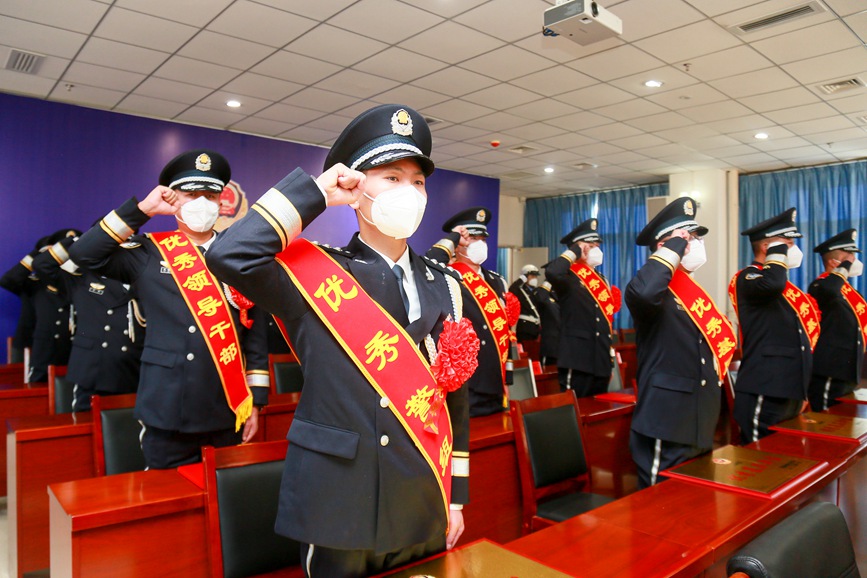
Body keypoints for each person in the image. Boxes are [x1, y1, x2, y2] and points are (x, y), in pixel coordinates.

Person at [207, 104, 473, 578]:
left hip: (421, 493)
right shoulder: (314, 273)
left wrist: (455, 497)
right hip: (337, 498)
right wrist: (315, 194)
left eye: (417, 181)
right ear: (356, 189)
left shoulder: (447, 285)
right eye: (391, 177)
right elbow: (230, 255)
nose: (409, 192)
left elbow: (455, 400)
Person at [68, 149, 270, 469]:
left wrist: (256, 402)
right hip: (166, 407)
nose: (201, 203)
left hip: (226, 406)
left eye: (210, 195)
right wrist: (143, 210)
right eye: (191, 195)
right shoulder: (148, 252)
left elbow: (254, 334)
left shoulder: (239, 255)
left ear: (221, 202)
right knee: (167, 495)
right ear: (174, 199)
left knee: (223, 495)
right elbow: (83, 254)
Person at [625, 197, 735, 488]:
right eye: (689, 238)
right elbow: (645, 293)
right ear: (665, 246)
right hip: (666, 419)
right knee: (659, 500)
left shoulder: (688, 290)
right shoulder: (649, 289)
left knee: (693, 500)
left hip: (697, 418)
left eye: (696, 237)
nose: (696, 243)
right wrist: (673, 247)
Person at [729, 207, 814, 444]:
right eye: (787, 244)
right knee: (760, 457)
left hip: (788, 387)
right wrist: (776, 254)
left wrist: (802, 389)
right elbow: (772, 284)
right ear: (767, 247)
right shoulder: (748, 277)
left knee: (785, 455)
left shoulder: (782, 286)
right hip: (765, 387)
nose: (793, 249)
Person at [31, 234, 145, 411]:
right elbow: (42, 265)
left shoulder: (143, 278)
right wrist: (78, 242)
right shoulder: (82, 278)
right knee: (85, 422)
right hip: (91, 371)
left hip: (130, 370)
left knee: (126, 425)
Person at [429, 206, 511, 417]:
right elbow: (429, 264)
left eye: (482, 239)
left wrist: (507, 377)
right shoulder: (448, 275)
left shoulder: (497, 281)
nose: (479, 244)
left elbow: (505, 330)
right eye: (473, 238)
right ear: (458, 245)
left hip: (494, 377)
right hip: (468, 379)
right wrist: (452, 238)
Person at [545, 218, 617, 397]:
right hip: (577, 360)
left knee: (598, 409)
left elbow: (605, 322)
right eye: (590, 246)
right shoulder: (568, 276)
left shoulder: (601, 280)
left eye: (597, 245)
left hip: (600, 361)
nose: (596, 249)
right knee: (576, 407)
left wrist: (609, 358)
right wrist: (573, 252)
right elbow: (552, 272)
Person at [1, 230, 78, 382]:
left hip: (72, 352)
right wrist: (39, 253)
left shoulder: (77, 281)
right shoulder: (35, 283)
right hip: (43, 352)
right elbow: (8, 281)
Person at [807, 229, 865, 411]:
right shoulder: (820, 286)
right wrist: (844, 267)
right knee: (827, 418)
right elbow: (831, 289)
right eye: (849, 257)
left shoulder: (848, 292)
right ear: (834, 262)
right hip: (829, 369)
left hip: (848, 369)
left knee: (845, 418)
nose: (853, 261)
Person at [509, 264, 541, 342]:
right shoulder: (520, 290)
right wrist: (521, 279)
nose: (534, 278)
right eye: (532, 276)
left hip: (535, 328)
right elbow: (512, 290)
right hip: (524, 328)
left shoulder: (537, 291)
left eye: (535, 276)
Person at [534, 280, 560, 368]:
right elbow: (540, 298)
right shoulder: (546, 298)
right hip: (550, 347)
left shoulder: (563, 298)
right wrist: (549, 280)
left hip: (564, 348)